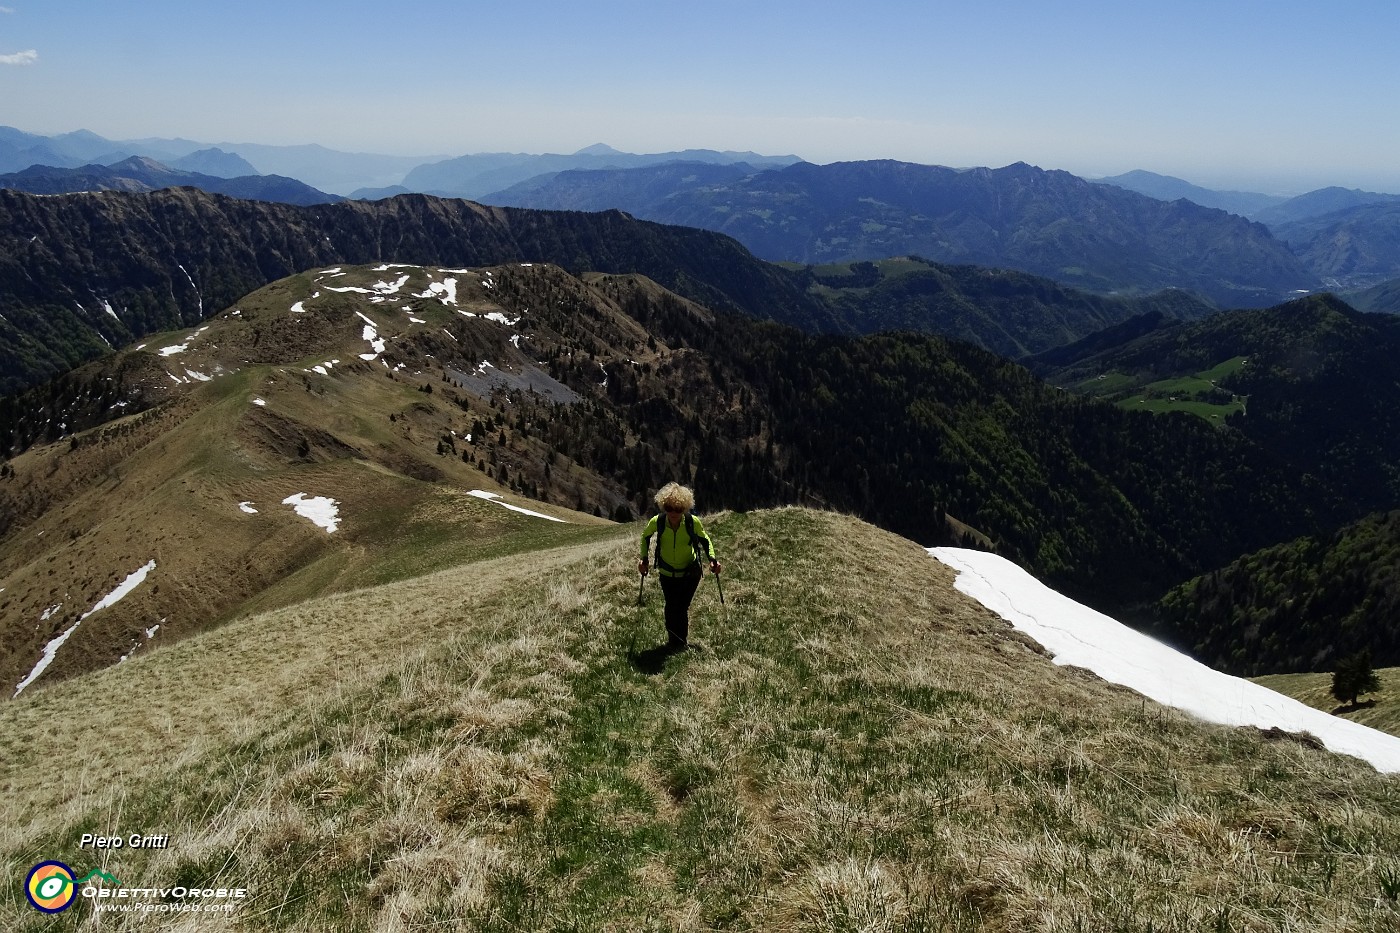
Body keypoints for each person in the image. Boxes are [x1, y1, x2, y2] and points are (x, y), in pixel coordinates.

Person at [638, 482, 721, 650]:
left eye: (678, 509)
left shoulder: (692, 522)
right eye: (669, 508)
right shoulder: (658, 521)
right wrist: (643, 559)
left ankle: (679, 642)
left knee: (681, 607)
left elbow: (705, 540)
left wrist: (712, 559)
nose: (673, 513)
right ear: (663, 506)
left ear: (684, 508)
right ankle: (675, 641)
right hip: (667, 572)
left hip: (690, 573)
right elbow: (645, 536)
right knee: (671, 605)